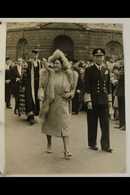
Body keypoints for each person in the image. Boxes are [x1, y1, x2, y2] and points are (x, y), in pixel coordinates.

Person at [39, 49, 78, 160]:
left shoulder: (68, 75)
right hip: (50, 103)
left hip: (62, 104)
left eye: (57, 63)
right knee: (48, 125)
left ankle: (67, 150)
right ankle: (49, 145)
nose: (55, 65)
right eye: (54, 63)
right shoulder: (48, 74)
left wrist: (70, 94)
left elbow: (72, 90)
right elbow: (41, 87)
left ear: (62, 64)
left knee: (65, 126)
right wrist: (41, 94)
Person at [84, 48, 112, 153]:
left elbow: (108, 86)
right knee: (92, 123)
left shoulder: (106, 69)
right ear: (93, 57)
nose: (99, 58)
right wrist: (88, 101)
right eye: (97, 56)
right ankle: (92, 143)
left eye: (101, 56)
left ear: (103, 57)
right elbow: (87, 86)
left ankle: (106, 145)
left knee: (105, 124)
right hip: (93, 100)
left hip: (104, 100)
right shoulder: (89, 70)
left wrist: (109, 101)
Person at [26, 49, 42, 124]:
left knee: (36, 98)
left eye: (37, 54)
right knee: (30, 98)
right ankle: (30, 116)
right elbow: (25, 74)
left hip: (37, 84)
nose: (35, 55)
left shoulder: (39, 63)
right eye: (34, 54)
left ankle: (33, 114)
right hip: (29, 83)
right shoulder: (28, 62)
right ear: (32, 55)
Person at [116, 62, 125, 130]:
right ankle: (121, 124)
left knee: (123, 109)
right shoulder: (122, 71)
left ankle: (124, 125)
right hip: (120, 92)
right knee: (121, 109)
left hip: (123, 93)